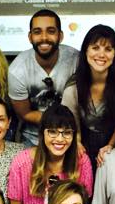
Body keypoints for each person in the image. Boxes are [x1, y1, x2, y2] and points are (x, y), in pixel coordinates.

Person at [7, 105, 93, 204]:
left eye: (67, 132)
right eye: (52, 132)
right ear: (42, 133)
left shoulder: (82, 162)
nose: (60, 139)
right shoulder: (21, 163)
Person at [61, 24, 115, 167]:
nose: (101, 54)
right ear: (85, 50)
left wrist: (110, 146)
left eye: (108, 49)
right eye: (95, 48)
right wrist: (77, 143)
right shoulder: (73, 89)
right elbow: (71, 126)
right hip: (85, 146)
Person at [8, 9, 80, 146]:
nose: (44, 37)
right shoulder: (17, 70)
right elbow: (25, 114)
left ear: (60, 36)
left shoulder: (77, 61)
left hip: (71, 135)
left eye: (51, 31)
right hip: (34, 138)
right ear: (30, 37)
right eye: (37, 32)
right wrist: (56, 121)